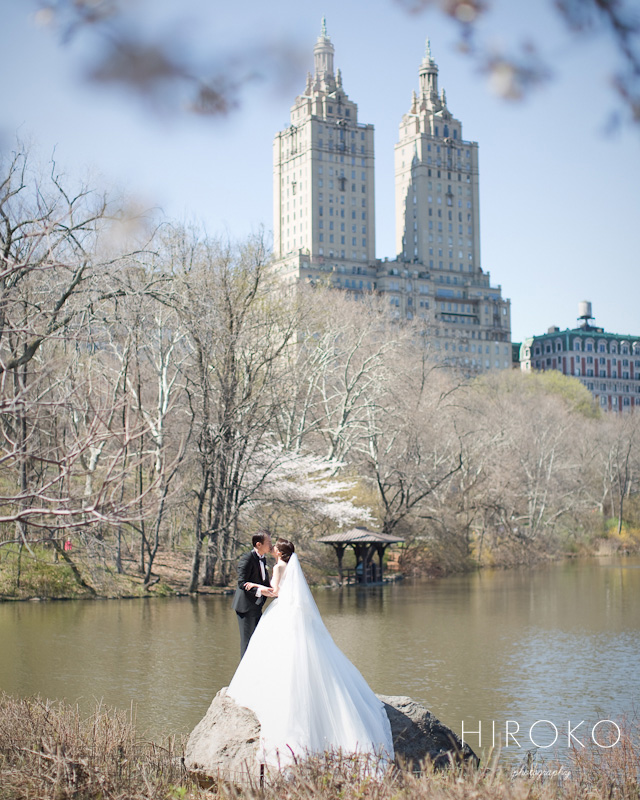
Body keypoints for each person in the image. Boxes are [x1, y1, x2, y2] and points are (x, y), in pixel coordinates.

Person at [227, 538, 394, 769]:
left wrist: (259, 588)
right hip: (291, 610)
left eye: (275, 546)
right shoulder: (289, 566)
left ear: (280, 553)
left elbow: (276, 591)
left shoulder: (278, 567)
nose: (272, 548)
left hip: (280, 608)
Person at [231, 531, 275, 658]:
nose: (271, 545)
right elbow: (242, 583)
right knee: (247, 642)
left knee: (257, 640)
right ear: (258, 544)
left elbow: (263, 582)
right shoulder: (247, 559)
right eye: (269, 542)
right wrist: (260, 591)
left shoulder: (263, 559)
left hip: (256, 605)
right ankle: (244, 669)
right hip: (245, 607)